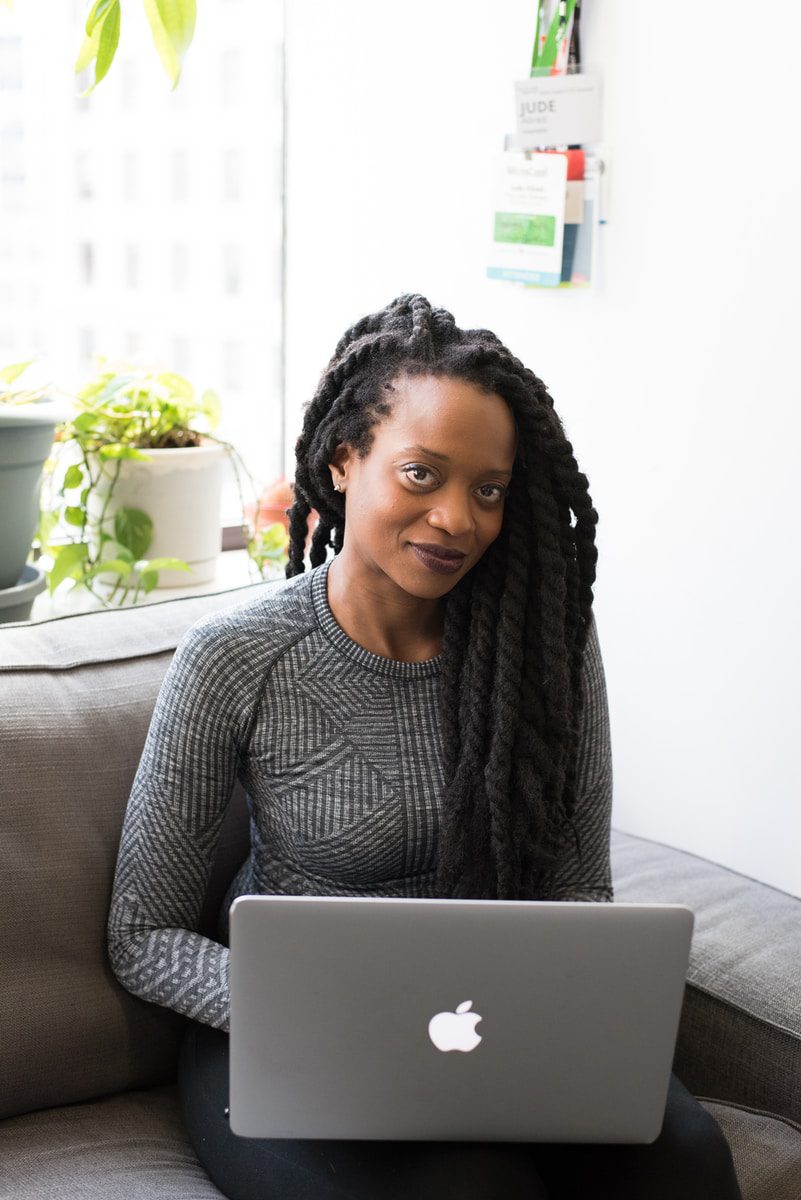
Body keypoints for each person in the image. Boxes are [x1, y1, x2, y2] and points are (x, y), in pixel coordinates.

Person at [107, 293, 742, 1199]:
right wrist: (323, 1020)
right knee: (469, 1187)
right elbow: (143, 935)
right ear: (343, 458)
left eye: (487, 490)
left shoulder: (543, 648)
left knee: (686, 1160)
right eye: (421, 475)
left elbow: (573, 888)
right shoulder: (236, 658)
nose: (457, 518)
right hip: (284, 1034)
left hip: (498, 1024)